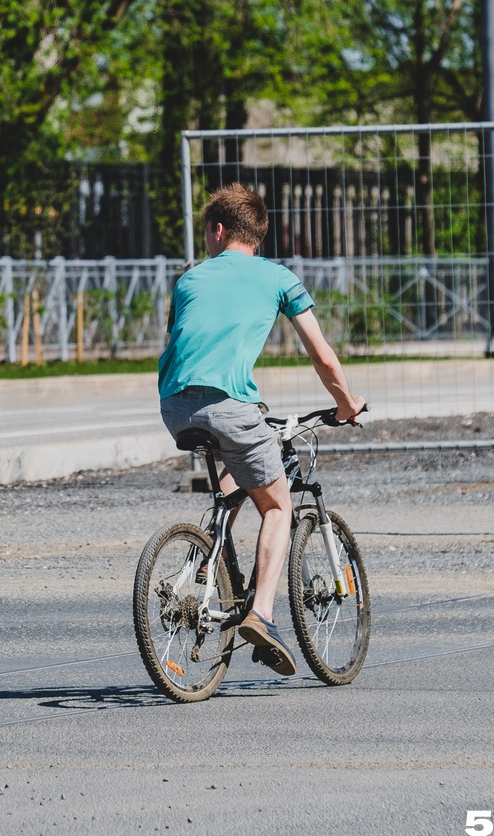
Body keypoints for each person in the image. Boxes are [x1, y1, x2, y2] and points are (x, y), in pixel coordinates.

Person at [158, 184, 364, 677]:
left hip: (174, 406)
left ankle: (212, 563)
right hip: (231, 403)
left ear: (219, 230)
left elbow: (184, 342)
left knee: (235, 474)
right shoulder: (277, 277)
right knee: (276, 505)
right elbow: (321, 353)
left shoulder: (188, 279)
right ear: (256, 235)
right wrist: (345, 403)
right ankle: (262, 616)